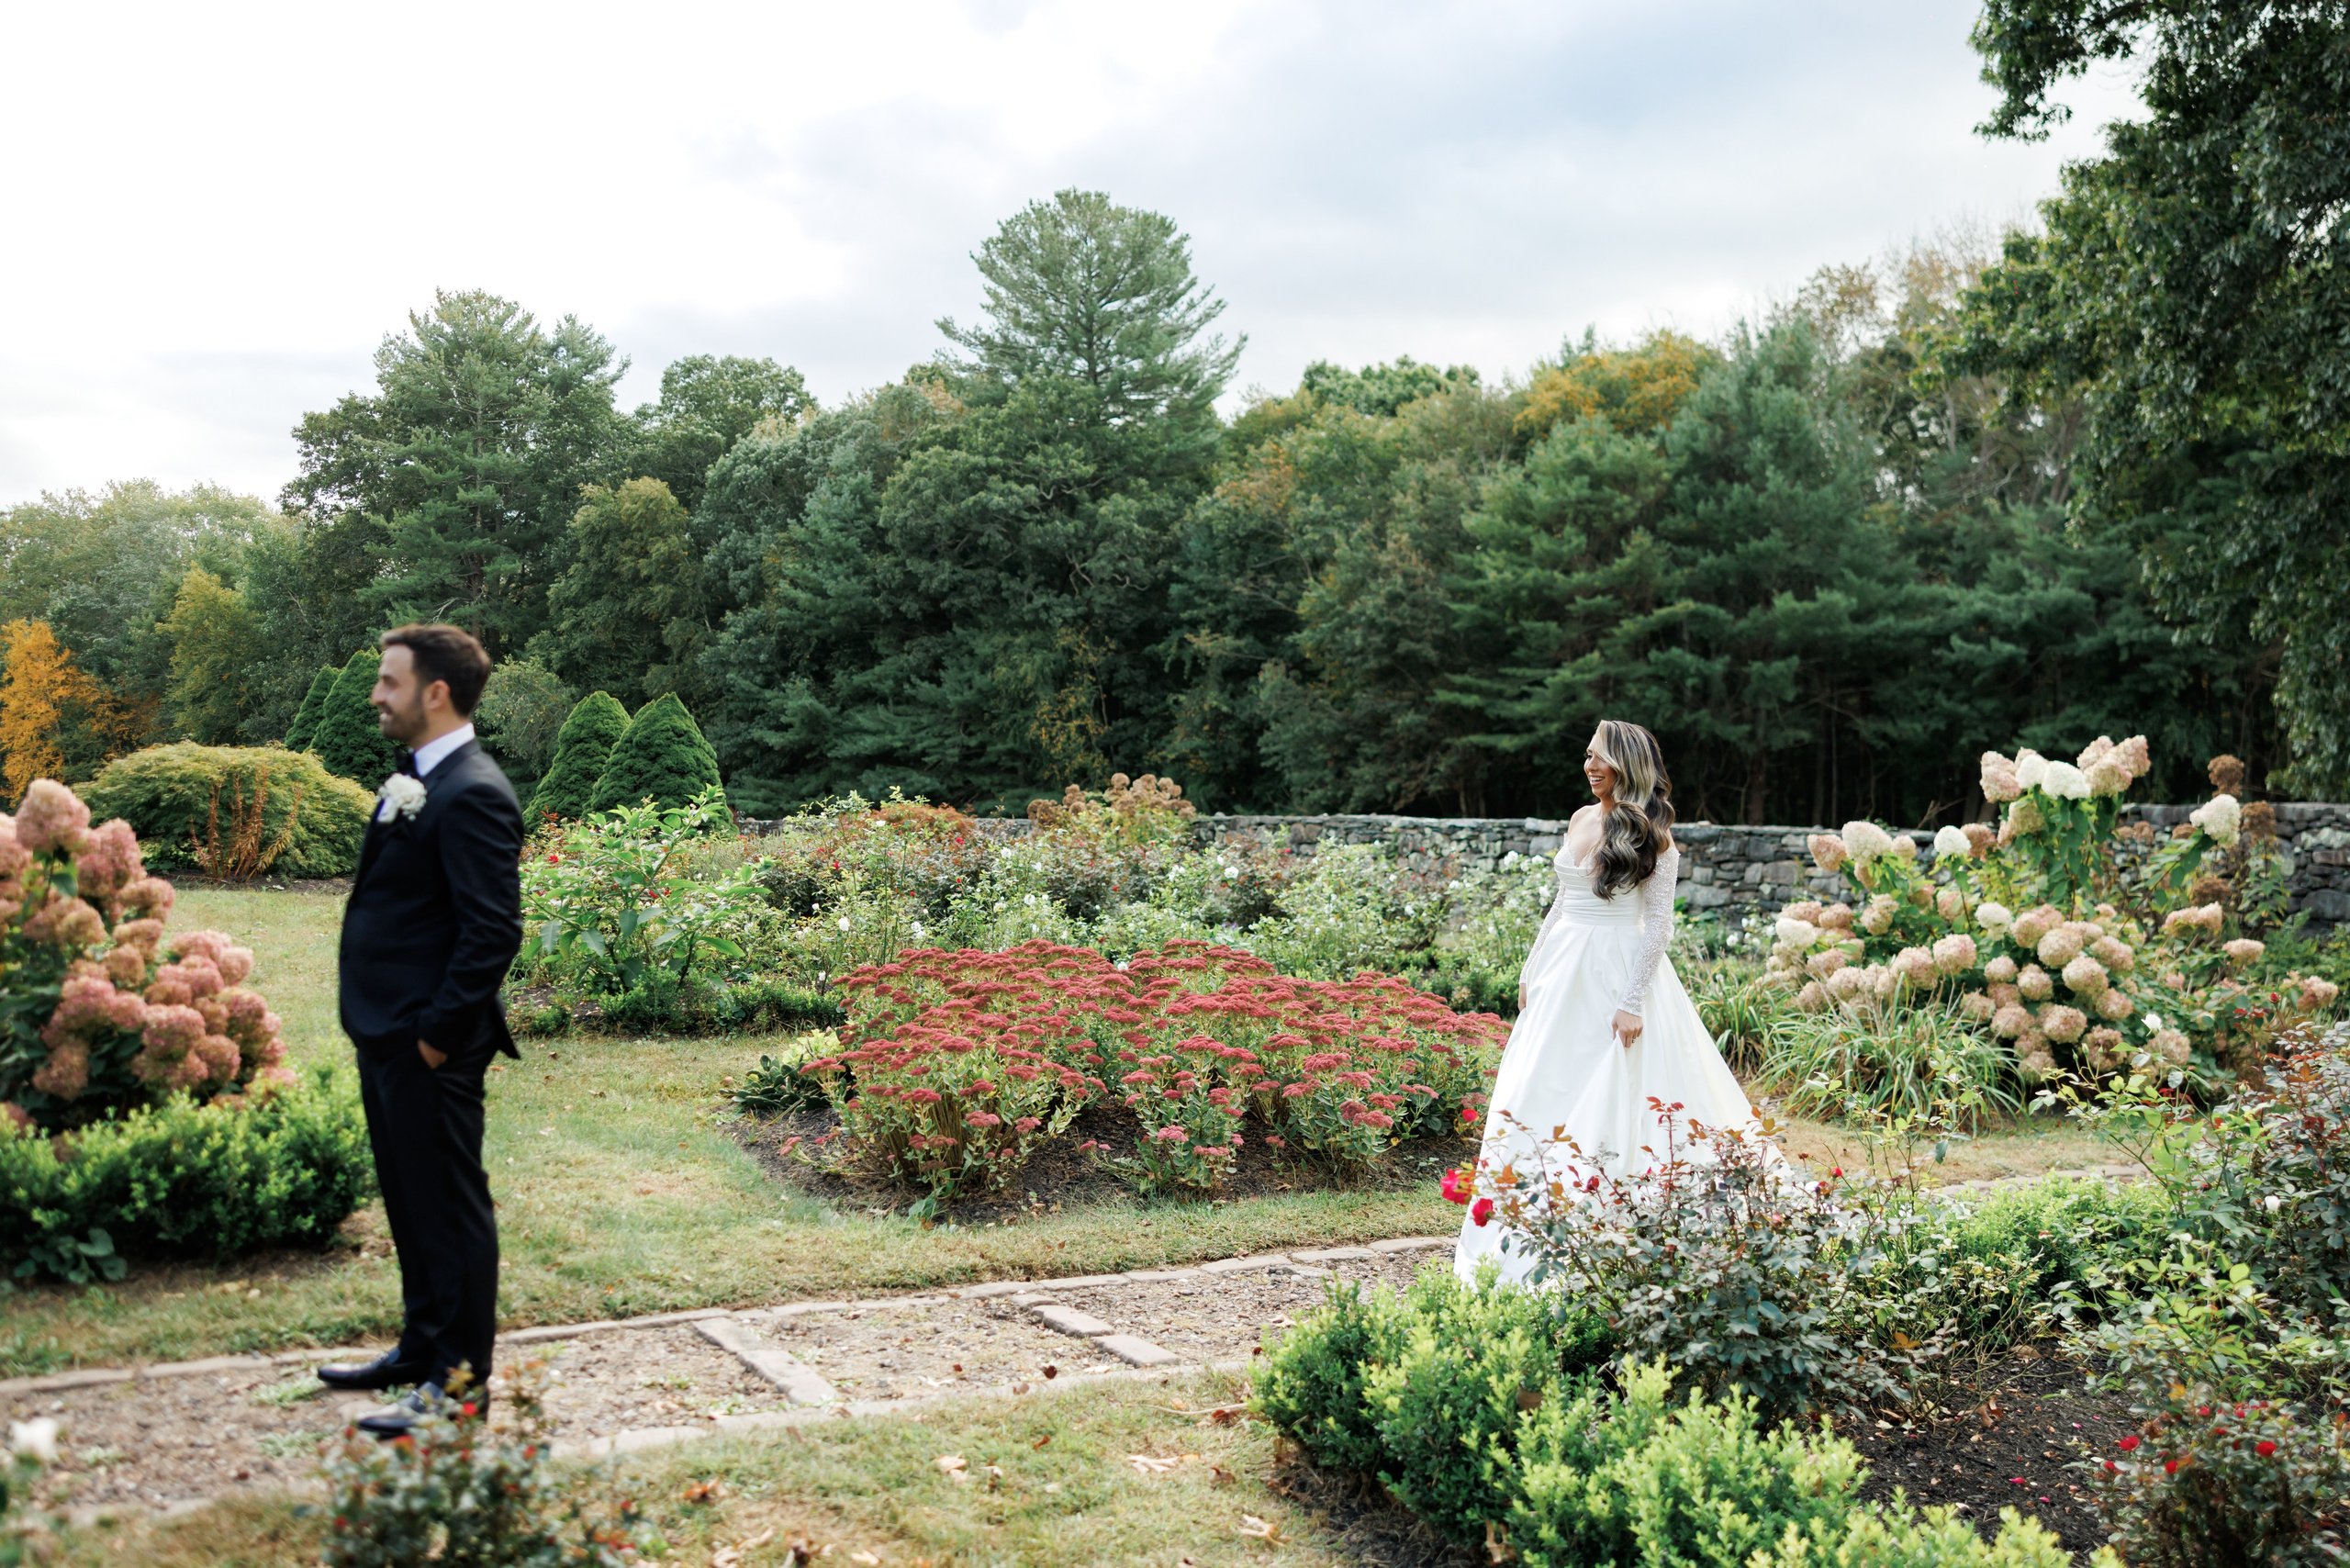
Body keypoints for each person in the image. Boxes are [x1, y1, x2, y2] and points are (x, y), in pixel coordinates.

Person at [1454, 719, 1779, 1283]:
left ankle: (1610, 1231)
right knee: (1539, 1087)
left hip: (1616, 972)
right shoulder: (1580, 819)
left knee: (1610, 1090)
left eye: (1600, 758)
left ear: (1627, 764)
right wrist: (1531, 969)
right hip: (1562, 973)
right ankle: (1521, 1230)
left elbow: (1658, 927)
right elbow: (1561, 903)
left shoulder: (1655, 834)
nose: (1589, 766)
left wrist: (1632, 1002)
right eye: (1586, 757)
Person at [316, 624, 524, 1438]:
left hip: (427, 1044)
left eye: (388, 681)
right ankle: (419, 1351)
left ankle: (459, 1387)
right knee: (410, 1203)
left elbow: (491, 932)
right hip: (388, 1033)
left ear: (434, 692)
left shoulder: (473, 790)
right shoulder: (415, 776)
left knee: (448, 1209)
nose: (376, 694)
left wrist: (434, 1036)